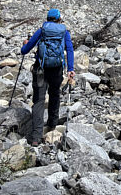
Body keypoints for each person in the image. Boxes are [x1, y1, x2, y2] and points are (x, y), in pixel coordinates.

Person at [21, 8, 75, 145]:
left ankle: (36, 137)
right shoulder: (64, 31)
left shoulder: (42, 30)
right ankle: (52, 125)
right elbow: (69, 50)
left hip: (41, 69)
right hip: (56, 70)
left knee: (39, 100)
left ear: (48, 18)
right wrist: (70, 69)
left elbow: (25, 51)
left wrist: (25, 45)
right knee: (54, 94)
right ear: (59, 19)